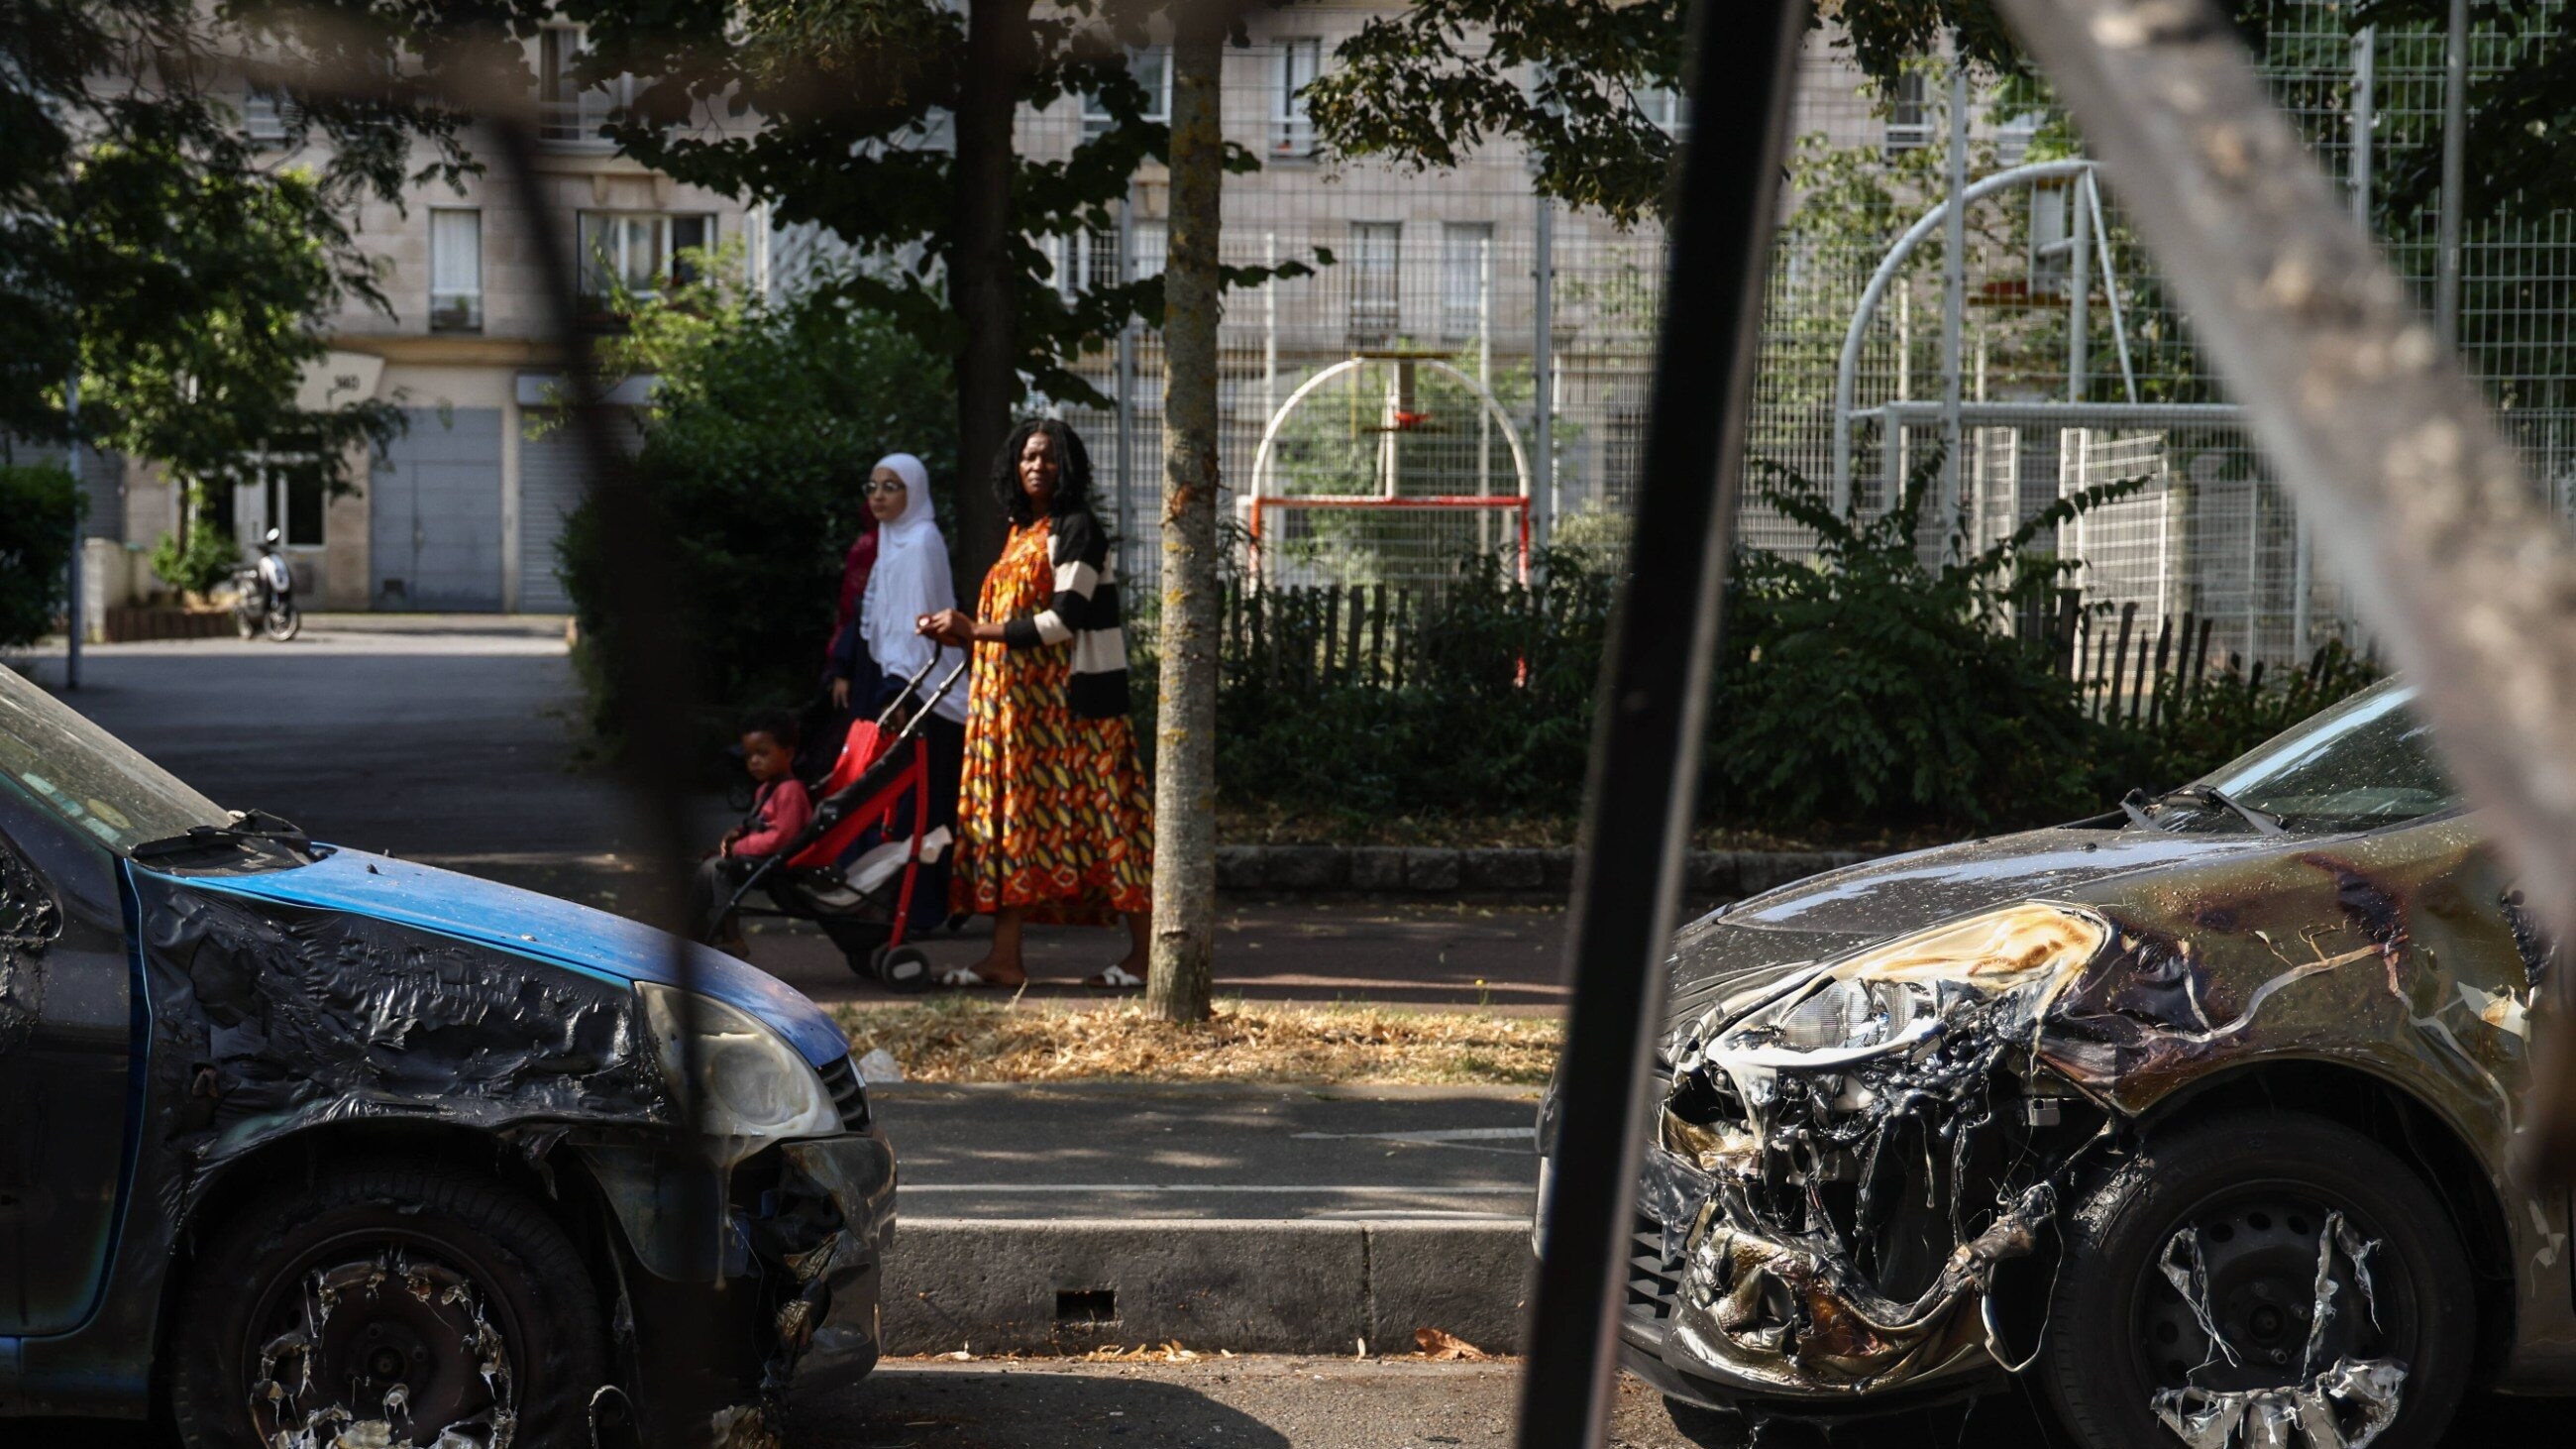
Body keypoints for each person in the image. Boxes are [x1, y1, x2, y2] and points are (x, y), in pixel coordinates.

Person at [918, 418, 1153, 987]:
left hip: (1072, 712)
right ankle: (1005, 957)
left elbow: (1061, 622)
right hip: (1014, 713)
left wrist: (976, 631)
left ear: (1068, 466)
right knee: (1016, 826)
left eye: (1049, 457)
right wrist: (962, 633)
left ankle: (1148, 958)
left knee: (1111, 823)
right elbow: (1009, 621)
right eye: (1027, 457)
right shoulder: (1021, 531)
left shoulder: (1077, 529)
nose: (1037, 467)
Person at [847, 452, 969, 930]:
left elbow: (919, 625)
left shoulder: (919, 541)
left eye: (891, 486)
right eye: (873, 486)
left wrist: (900, 690)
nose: (878, 495)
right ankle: (909, 906)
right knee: (907, 806)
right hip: (903, 685)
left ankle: (926, 909)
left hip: (926, 688)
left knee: (928, 805)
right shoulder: (893, 539)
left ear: (913, 492)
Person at [688, 709, 813, 955]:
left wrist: (740, 847)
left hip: (780, 862)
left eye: (762, 754)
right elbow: (756, 823)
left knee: (719, 869)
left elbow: (782, 837)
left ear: (788, 753)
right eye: (749, 756)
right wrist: (736, 834)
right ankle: (694, 927)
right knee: (707, 867)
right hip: (764, 857)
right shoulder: (767, 788)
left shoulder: (790, 791)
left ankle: (733, 937)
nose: (754, 761)